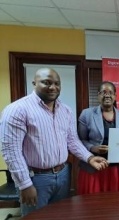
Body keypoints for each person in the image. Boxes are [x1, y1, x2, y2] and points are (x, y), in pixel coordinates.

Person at [0, 68, 108, 216]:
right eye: (46, 82)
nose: (53, 87)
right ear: (34, 83)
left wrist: (89, 157)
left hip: (63, 175)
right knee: (36, 217)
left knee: (59, 215)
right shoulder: (17, 110)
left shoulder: (65, 110)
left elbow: (72, 141)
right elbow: (11, 151)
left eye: (57, 83)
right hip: (35, 178)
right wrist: (25, 184)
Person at [77, 81, 119, 194]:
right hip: (94, 169)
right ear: (98, 95)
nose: (107, 95)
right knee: (94, 206)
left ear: (115, 96)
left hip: (118, 169)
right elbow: (80, 140)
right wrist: (93, 148)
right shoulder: (86, 114)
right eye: (103, 92)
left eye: (111, 92)